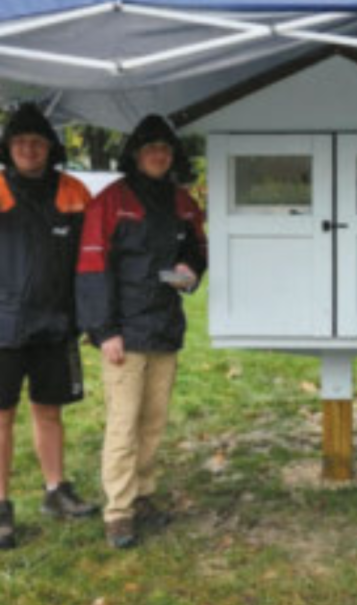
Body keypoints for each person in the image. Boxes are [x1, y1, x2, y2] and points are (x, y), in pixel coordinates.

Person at [76, 115, 207, 550]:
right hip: (123, 334)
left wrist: (191, 267)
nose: (158, 154)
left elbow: (196, 246)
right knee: (123, 423)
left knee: (153, 421)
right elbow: (92, 267)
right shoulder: (111, 201)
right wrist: (104, 330)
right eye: (150, 147)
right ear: (135, 153)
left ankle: (143, 495)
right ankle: (118, 511)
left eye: (165, 149)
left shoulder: (182, 201)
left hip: (165, 327)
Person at [0, 103, 98, 550]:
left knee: (50, 410)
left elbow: (93, 256)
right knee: (2, 417)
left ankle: (56, 491)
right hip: (3, 327)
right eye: (20, 141)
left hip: (56, 324)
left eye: (37, 141)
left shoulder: (74, 192)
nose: (28, 148)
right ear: (8, 147)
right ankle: (1, 507)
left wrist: (87, 315)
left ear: (50, 147)